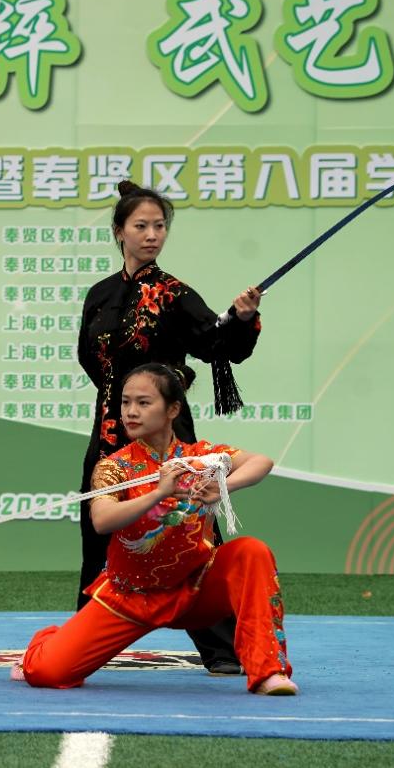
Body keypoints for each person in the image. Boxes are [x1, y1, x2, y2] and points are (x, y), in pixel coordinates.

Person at [76, 180, 262, 674]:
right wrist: (126, 405)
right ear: (120, 231)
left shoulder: (175, 294)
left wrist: (241, 319)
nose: (152, 235)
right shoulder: (99, 294)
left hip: (167, 438)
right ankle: (86, 641)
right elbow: (88, 358)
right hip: (111, 432)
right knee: (97, 533)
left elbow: (216, 344)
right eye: (141, 226)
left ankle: (222, 650)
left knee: (190, 531)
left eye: (159, 226)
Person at [18, 363, 295, 695]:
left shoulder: (200, 457)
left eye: (143, 403)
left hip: (197, 588)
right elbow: (102, 520)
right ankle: (46, 643)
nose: (131, 412)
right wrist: (158, 493)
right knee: (46, 672)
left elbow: (261, 462)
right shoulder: (114, 466)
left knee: (251, 552)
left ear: (172, 410)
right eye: (125, 402)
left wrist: (224, 486)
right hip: (131, 596)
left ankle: (268, 672)